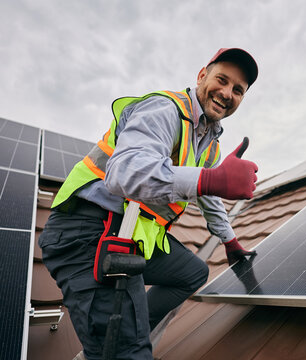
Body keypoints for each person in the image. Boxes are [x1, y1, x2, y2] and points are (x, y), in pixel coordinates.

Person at [39, 48, 259, 360]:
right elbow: (123, 174)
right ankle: (120, 347)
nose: (227, 93)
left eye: (238, 90)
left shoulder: (209, 144)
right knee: (130, 353)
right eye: (222, 80)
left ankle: (130, 332)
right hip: (86, 231)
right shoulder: (165, 110)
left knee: (193, 273)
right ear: (201, 76)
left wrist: (230, 240)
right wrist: (211, 180)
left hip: (129, 236)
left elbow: (207, 199)